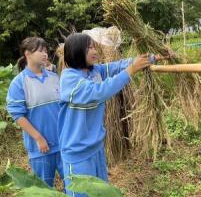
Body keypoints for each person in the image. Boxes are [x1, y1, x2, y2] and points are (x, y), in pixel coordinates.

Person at [58, 33, 162, 196]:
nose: (95, 51)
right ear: (77, 51)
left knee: (102, 191)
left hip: (96, 147)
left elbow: (118, 66)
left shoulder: (94, 71)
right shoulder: (69, 79)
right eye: (89, 47)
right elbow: (98, 91)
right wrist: (130, 71)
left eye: (94, 46)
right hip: (77, 153)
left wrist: (152, 58)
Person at [6, 37, 64, 187]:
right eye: (40, 51)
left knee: (73, 186)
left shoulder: (54, 76)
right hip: (41, 148)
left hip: (63, 143)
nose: (45, 54)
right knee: (44, 189)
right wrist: (38, 138)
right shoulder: (19, 82)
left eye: (46, 51)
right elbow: (17, 115)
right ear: (27, 54)